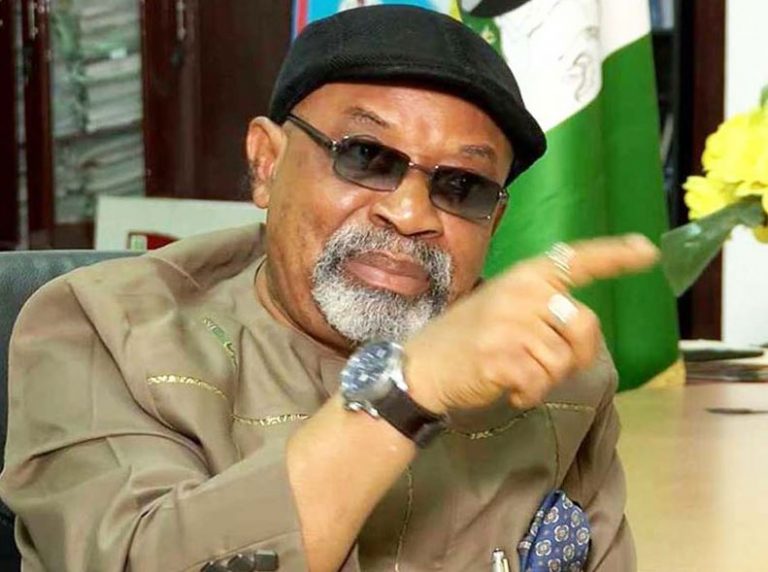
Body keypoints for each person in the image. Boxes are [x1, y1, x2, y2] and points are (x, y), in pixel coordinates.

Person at [0, 6, 657, 572]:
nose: (409, 213)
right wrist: (407, 389)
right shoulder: (103, 328)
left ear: (496, 220)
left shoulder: (551, 371)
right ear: (267, 163)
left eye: (461, 187)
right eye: (366, 156)